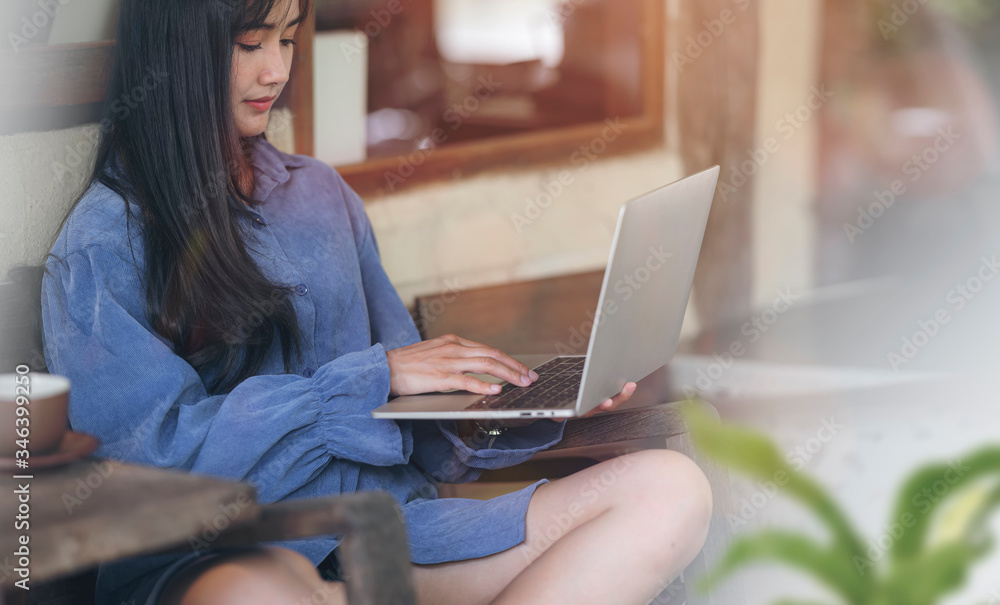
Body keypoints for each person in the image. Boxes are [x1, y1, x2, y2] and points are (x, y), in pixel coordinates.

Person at [39, 0, 713, 603]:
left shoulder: (320, 197)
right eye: (250, 43)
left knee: (670, 489)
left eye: (290, 39)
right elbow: (144, 466)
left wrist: (524, 402)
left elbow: (411, 417)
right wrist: (366, 382)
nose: (276, 70)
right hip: (224, 557)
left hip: (387, 535)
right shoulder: (103, 246)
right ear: (176, 52)